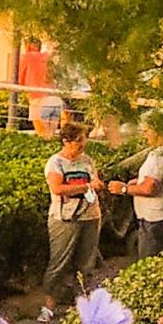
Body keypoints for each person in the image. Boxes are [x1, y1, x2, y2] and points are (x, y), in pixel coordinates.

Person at [44, 122, 107, 291]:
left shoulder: (87, 161)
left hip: (91, 215)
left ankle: (82, 298)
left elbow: (95, 182)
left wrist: (96, 186)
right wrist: (86, 187)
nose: (81, 144)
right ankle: (49, 303)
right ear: (66, 141)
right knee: (60, 261)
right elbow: (57, 189)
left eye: (83, 140)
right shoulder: (55, 162)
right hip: (65, 218)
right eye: (77, 140)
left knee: (87, 262)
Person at [126, 118, 163, 258]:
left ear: (157, 131)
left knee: (150, 263)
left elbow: (149, 189)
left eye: (147, 131)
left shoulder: (158, 155)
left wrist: (124, 189)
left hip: (155, 220)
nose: (145, 135)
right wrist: (140, 180)